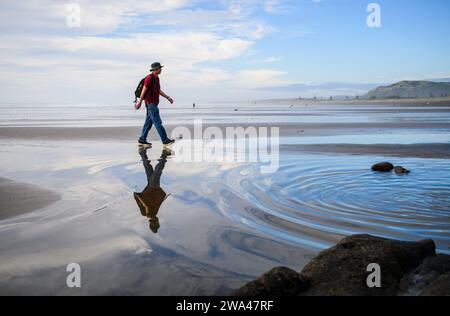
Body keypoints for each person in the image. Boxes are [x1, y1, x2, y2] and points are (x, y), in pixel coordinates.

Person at [135, 62, 175, 147]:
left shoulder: (157, 78)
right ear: (155, 69)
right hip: (151, 103)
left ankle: (142, 139)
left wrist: (167, 97)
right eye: (160, 68)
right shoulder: (149, 78)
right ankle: (165, 140)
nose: (161, 69)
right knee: (157, 122)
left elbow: (158, 90)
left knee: (148, 123)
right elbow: (144, 90)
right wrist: (140, 102)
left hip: (154, 103)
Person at [133, 147, 172, 234]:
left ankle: (165, 154)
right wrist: (137, 196)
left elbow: (146, 204)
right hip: (149, 189)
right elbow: (145, 204)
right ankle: (142, 153)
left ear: (155, 222)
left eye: (157, 222)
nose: (157, 221)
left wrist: (138, 196)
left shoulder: (150, 214)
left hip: (153, 187)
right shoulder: (150, 214)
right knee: (148, 168)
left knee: (157, 171)